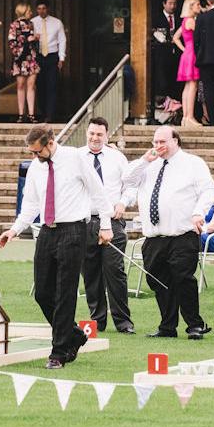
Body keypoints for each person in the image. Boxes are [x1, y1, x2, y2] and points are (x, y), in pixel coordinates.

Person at [0, 125, 113, 369]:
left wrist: (105, 225)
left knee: (65, 292)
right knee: (42, 292)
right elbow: (29, 204)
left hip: (73, 229)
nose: (35, 157)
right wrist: (14, 229)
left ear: (50, 143)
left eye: (38, 152)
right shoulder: (36, 168)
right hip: (47, 232)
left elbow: (98, 192)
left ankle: (58, 352)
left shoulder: (75, 158)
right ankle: (74, 335)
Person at [124, 126, 214, 340]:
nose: (158, 146)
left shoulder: (193, 164)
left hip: (182, 233)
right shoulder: (148, 165)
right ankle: (167, 326)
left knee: (183, 278)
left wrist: (198, 212)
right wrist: (144, 160)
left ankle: (194, 324)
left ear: (175, 141)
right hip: (155, 236)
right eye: (155, 142)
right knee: (158, 281)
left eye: (162, 142)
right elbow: (127, 180)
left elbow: (208, 190)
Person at [78, 117, 136, 334]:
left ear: (107, 135)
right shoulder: (77, 157)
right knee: (90, 273)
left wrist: (123, 202)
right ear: (87, 132)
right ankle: (97, 321)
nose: (95, 138)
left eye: (99, 134)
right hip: (85, 222)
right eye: (92, 133)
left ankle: (123, 322)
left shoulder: (117, 158)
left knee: (115, 271)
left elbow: (131, 186)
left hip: (113, 221)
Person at [30, 0, 67, 123]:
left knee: (52, 85)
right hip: (38, 56)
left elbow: (62, 40)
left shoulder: (57, 23)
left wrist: (61, 58)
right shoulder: (32, 22)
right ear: (36, 9)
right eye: (39, 9)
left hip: (52, 55)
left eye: (44, 8)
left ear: (48, 9)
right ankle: (42, 112)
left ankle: (50, 115)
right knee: (40, 85)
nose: (41, 11)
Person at [7, 2, 40, 123]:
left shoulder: (31, 24)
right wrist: (27, 41)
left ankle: (31, 114)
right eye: (29, 10)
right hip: (20, 58)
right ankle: (21, 114)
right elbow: (12, 42)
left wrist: (35, 39)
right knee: (20, 85)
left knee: (31, 85)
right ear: (24, 11)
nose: (31, 13)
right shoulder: (14, 25)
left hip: (31, 58)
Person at [172, 0, 201, 128]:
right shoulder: (191, 21)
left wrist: (184, 49)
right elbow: (201, 36)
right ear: (191, 6)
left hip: (187, 53)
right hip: (193, 53)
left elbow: (175, 37)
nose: (199, 7)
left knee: (188, 86)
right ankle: (189, 116)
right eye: (197, 5)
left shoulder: (184, 21)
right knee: (193, 85)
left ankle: (185, 116)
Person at [152, 0, 182, 105]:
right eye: (170, 3)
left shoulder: (180, 18)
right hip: (161, 55)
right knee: (162, 80)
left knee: (176, 81)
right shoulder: (156, 18)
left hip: (177, 54)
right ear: (164, 4)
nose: (173, 6)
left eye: (175, 3)